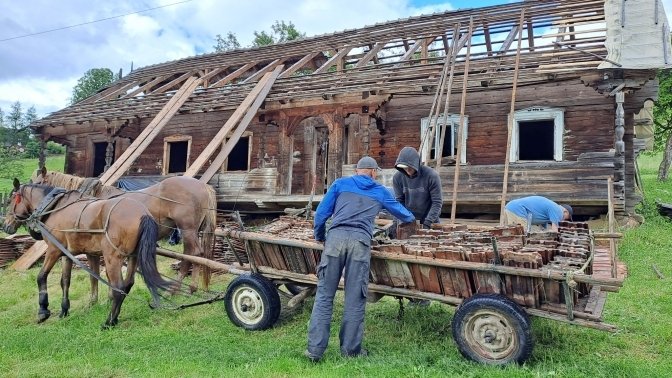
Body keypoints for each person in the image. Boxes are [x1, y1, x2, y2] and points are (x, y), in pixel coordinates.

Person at [306, 156, 415, 362]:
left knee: (324, 295)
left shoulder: (339, 184)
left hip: (335, 240)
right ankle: (350, 351)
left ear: (357, 171)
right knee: (355, 298)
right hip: (360, 243)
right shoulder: (381, 191)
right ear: (373, 172)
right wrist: (412, 220)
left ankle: (314, 351)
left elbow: (320, 214)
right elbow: (405, 215)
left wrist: (321, 236)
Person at [392, 146, 443, 230]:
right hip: (408, 221)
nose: (407, 170)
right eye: (404, 168)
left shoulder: (431, 176)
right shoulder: (398, 178)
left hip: (430, 221)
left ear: (416, 164)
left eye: (409, 167)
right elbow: (399, 202)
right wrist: (396, 221)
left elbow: (437, 202)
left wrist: (428, 222)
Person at [504, 195, 573, 232]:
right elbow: (555, 231)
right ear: (565, 211)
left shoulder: (551, 209)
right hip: (518, 210)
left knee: (510, 235)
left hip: (510, 207)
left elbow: (543, 229)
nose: (563, 220)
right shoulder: (558, 210)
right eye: (567, 217)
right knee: (521, 237)